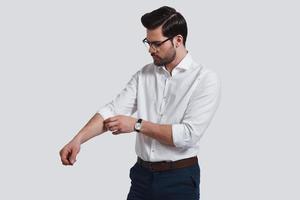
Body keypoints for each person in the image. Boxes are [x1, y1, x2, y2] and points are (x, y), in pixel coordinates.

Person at [59, 6, 221, 200]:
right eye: (148, 42)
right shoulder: (145, 74)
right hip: (142, 177)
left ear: (178, 40)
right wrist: (78, 139)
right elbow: (112, 109)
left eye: (157, 44)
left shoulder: (205, 79)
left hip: (180, 179)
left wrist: (137, 125)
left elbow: (187, 135)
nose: (151, 50)